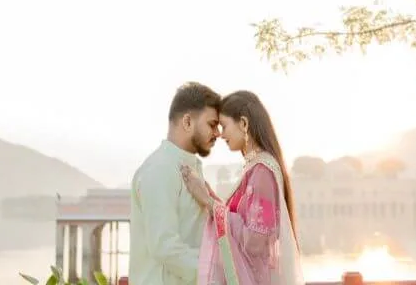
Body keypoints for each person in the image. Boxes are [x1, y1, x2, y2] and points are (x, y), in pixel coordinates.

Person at [179, 90, 305, 285]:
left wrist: (208, 201)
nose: (221, 134)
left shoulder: (263, 172)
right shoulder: (254, 169)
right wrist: (208, 195)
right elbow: (243, 222)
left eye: (224, 125)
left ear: (244, 124)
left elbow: (255, 241)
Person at [129, 82, 222, 285]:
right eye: (212, 124)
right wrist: (215, 271)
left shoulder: (189, 167)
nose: (218, 133)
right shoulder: (160, 169)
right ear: (187, 122)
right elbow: (164, 246)